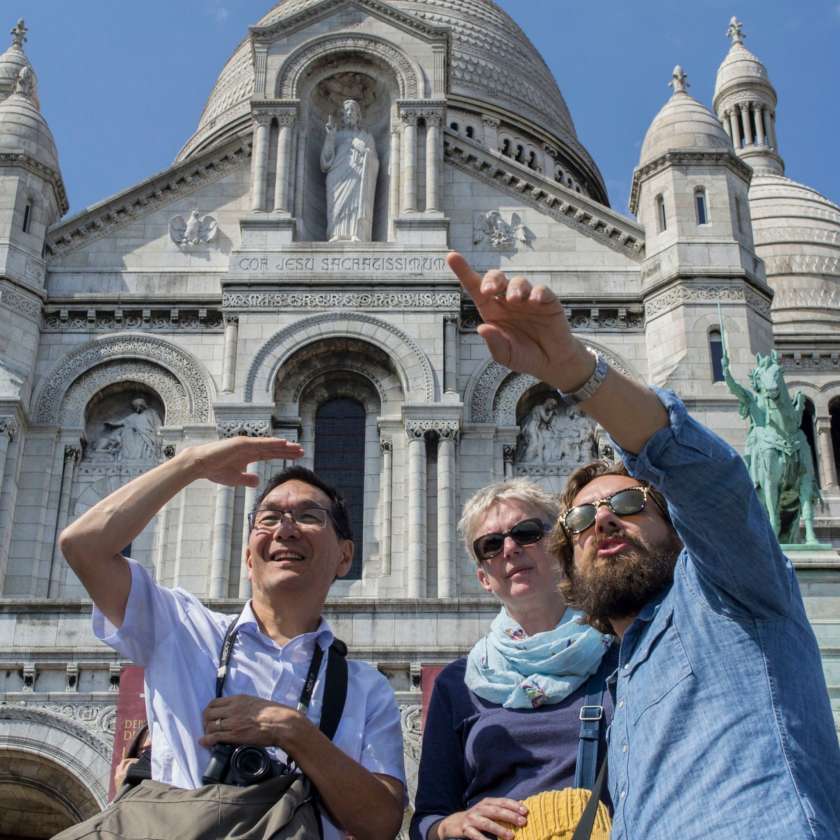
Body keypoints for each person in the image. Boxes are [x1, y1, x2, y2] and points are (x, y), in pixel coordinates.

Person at [446, 251, 840, 839]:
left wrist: (575, 370)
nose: (602, 521)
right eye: (578, 519)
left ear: (679, 529)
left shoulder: (729, 596)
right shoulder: (618, 682)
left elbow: (708, 481)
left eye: (628, 505)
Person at [59, 437, 406, 840]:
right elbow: (83, 546)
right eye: (269, 518)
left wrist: (290, 730)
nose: (286, 529)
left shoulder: (367, 689)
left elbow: (381, 823)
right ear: (247, 557)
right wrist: (189, 464)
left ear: (345, 556)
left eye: (309, 516)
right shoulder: (181, 628)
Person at [410, 479, 615, 840]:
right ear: (483, 578)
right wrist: (452, 825)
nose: (509, 549)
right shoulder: (458, 684)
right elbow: (428, 818)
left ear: (561, 549)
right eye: (491, 544)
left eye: (527, 533)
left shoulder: (619, 656)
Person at [320, 98, 380, 242]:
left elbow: (375, 163)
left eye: (352, 110)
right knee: (337, 204)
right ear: (342, 115)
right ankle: (336, 232)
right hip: (337, 176)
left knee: (355, 204)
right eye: (346, 111)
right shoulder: (337, 135)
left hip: (359, 177)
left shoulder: (366, 137)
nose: (349, 113)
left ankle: (357, 233)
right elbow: (325, 161)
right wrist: (330, 137)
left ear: (358, 115)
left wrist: (365, 151)